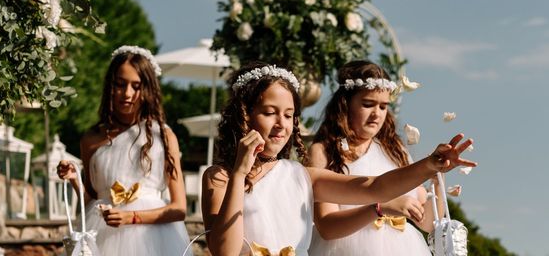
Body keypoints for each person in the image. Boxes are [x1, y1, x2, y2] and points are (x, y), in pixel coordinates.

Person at [201, 61, 476, 256]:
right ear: (245, 115)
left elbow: (373, 188)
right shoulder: (219, 177)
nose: (281, 124)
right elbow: (225, 251)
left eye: (288, 115)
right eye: (269, 112)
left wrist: (429, 165)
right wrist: (239, 174)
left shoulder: (302, 176)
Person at [57, 45, 189, 255]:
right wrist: (74, 179)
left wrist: (132, 217)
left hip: (155, 241)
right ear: (110, 86)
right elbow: (92, 202)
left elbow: (179, 208)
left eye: (136, 86)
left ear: (147, 89)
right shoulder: (91, 139)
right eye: (120, 84)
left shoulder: (163, 136)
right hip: (101, 236)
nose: (127, 94)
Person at [309, 60, 440, 256]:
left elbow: (427, 223)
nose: (376, 114)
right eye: (368, 104)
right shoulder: (324, 151)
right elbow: (327, 227)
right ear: (345, 104)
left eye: (383, 107)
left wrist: (437, 177)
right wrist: (380, 208)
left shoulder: (396, 151)